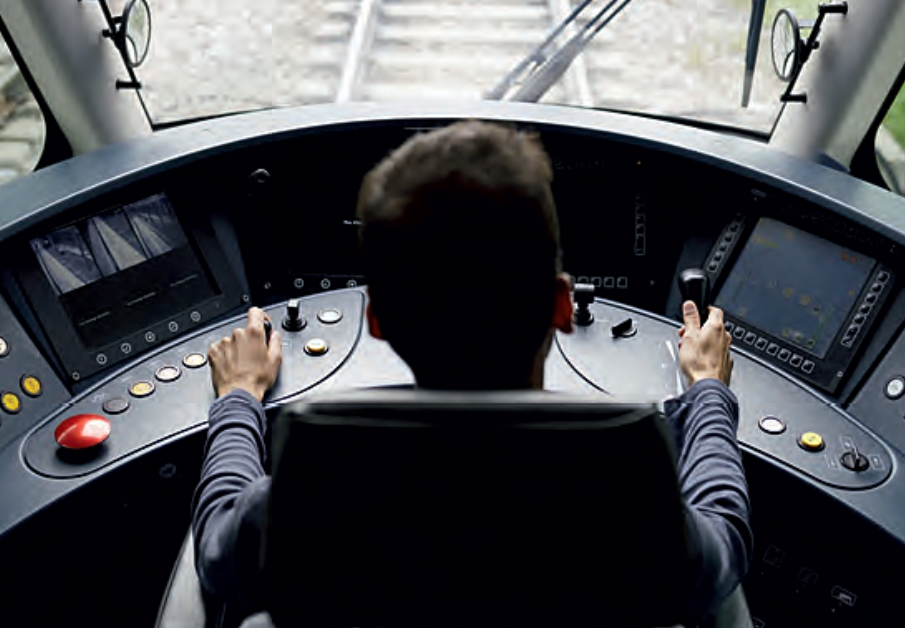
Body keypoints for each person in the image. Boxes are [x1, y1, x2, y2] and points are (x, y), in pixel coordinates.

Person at [191, 121, 751, 625]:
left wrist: (239, 396)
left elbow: (218, 551)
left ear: (376, 320)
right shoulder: (625, 468)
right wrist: (705, 391)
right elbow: (721, 540)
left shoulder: (320, 467)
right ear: (562, 305)